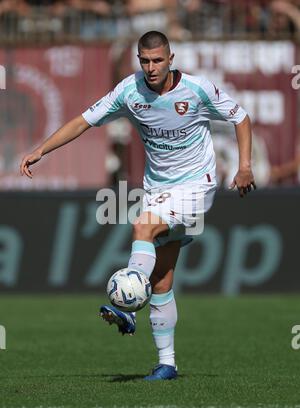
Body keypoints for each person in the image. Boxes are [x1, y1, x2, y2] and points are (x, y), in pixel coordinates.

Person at [20, 30, 256, 381]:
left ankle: (127, 308)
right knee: (161, 278)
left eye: (158, 60)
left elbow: (240, 117)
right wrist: (42, 149)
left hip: (196, 185)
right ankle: (167, 363)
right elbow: (84, 121)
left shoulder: (197, 89)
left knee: (142, 225)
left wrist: (245, 166)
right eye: (144, 61)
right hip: (158, 188)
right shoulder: (129, 91)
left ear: (171, 58)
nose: (151, 67)